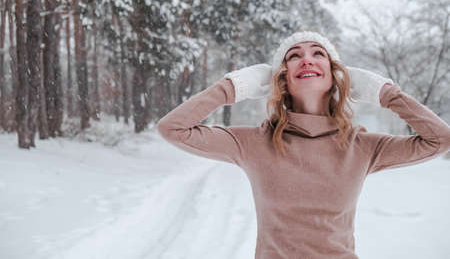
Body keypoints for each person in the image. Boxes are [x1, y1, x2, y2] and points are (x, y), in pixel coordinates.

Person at [156, 31, 450, 259]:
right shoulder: (255, 142)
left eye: (318, 53)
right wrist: (234, 86)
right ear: (281, 79)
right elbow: (173, 128)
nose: (306, 59)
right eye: (293, 56)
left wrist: (385, 92)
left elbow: (440, 139)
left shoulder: (361, 146)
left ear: (336, 75)